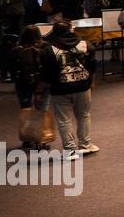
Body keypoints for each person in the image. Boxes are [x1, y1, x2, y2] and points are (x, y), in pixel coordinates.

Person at [39, 18, 97, 159]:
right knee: (83, 116)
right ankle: (85, 145)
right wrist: (90, 81)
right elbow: (92, 65)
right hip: (82, 86)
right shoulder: (85, 45)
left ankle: (69, 150)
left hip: (60, 89)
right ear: (70, 29)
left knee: (64, 120)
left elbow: (45, 72)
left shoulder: (48, 49)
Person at [13, 24, 45, 110]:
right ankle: (44, 122)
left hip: (23, 79)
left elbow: (12, 66)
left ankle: (25, 123)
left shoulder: (17, 49)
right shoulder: (45, 47)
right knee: (43, 108)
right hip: (41, 80)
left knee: (25, 107)